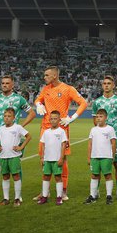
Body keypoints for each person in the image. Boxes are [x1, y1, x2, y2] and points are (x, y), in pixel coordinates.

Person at [34, 66, 88, 201]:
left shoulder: (68, 89)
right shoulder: (45, 89)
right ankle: (45, 191)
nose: (44, 77)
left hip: (61, 128)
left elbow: (83, 103)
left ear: (54, 76)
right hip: (45, 128)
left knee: (62, 159)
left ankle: (63, 190)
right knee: (44, 159)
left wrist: (71, 118)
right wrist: (38, 104)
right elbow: (38, 100)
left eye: (47, 75)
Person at [0, 75, 36, 204]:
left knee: (16, 167)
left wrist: (20, 127)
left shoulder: (18, 99)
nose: (4, 85)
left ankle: (18, 196)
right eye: (3, 83)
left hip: (14, 139)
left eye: (7, 83)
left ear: (12, 85)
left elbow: (32, 113)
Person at [91, 75, 117, 200]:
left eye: (109, 83)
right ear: (102, 85)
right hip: (100, 140)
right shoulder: (97, 102)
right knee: (99, 165)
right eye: (104, 83)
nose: (106, 85)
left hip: (114, 139)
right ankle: (96, 191)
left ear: (113, 85)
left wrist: (114, 134)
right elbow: (95, 121)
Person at [0, 108, 31, 207]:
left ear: (14, 118)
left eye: (9, 116)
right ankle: (6, 199)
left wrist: (21, 147)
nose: (7, 118)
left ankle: (17, 198)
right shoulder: (1, 129)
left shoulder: (17, 127)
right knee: (5, 176)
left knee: (16, 176)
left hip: (14, 156)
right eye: (5, 116)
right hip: (3, 157)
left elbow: (28, 136)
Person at [84, 109, 117, 205]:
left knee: (107, 175)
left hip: (106, 156)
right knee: (94, 175)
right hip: (95, 157)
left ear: (106, 118)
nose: (98, 118)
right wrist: (89, 157)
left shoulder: (110, 129)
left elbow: (113, 143)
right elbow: (90, 144)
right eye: (97, 117)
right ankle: (92, 195)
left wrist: (112, 156)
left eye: (101, 116)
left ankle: (109, 196)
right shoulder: (93, 129)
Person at [37, 110, 68, 205]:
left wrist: (61, 158)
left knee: (58, 177)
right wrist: (42, 157)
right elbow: (42, 145)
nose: (53, 120)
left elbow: (63, 145)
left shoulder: (62, 131)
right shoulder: (46, 132)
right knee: (46, 177)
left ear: (59, 120)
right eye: (51, 119)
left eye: (55, 119)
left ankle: (59, 197)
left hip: (56, 159)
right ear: (49, 120)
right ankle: (45, 196)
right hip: (47, 159)